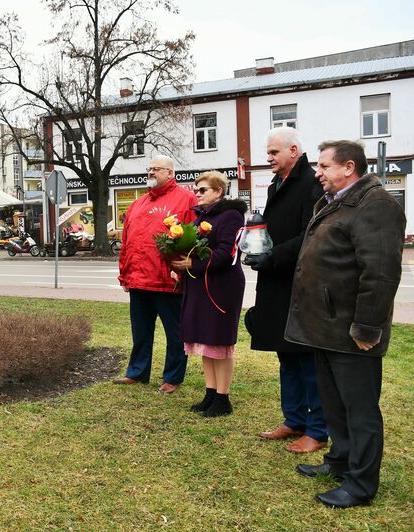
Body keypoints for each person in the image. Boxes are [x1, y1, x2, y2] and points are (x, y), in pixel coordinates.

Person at [286, 140, 405, 508]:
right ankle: (339, 461)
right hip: (326, 326)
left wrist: (367, 326)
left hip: (353, 331)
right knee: (335, 403)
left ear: (349, 167)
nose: (317, 172)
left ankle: (360, 484)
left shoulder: (377, 205)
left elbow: (381, 272)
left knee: (361, 410)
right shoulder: (335, 202)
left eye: (323, 166)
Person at [243, 127, 328, 453]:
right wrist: (255, 242)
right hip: (277, 281)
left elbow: (311, 233)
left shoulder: (310, 183)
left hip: (300, 282)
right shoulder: (279, 183)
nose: (268, 159)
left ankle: (317, 430)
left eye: (274, 153)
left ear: (294, 150)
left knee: (306, 359)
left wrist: (272, 255)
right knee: (285, 355)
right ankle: (293, 420)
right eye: (268, 153)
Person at [115, 155, 197, 393]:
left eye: (157, 169)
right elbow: (127, 242)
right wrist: (125, 275)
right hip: (139, 281)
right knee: (140, 332)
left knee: (175, 334)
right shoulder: (138, 204)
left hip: (167, 282)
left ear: (171, 173)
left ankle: (172, 377)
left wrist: (185, 268)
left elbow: (195, 238)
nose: (151, 172)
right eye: (149, 169)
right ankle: (137, 372)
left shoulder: (186, 199)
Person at [169, 172, 247, 417]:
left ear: (218, 191)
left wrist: (192, 265)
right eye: (196, 189)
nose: (197, 193)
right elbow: (192, 249)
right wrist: (179, 268)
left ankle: (223, 399)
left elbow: (226, 252)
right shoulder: (198, 218)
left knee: (219, 342)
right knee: (204, 342)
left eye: (203, 190)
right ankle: (210, 393)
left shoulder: (231, 215)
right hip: (200, 286)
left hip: (221, 287)